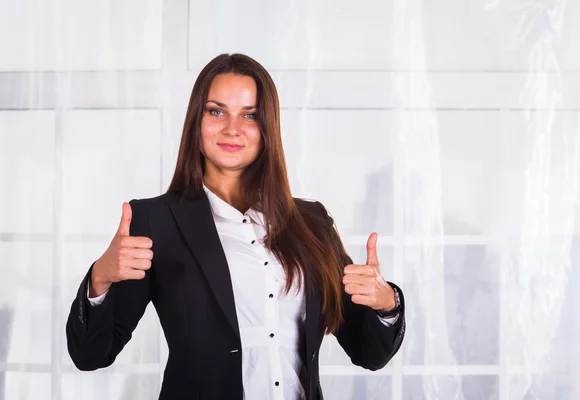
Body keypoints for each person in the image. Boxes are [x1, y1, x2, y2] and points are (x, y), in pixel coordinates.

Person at [66, 53, 405, 400]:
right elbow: (91, 354)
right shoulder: (155, 221)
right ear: (196, 121)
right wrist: (100, 277)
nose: (232, 128)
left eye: (250, 115)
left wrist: (386, 303)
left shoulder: (311, 223)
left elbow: (369, 354)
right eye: (216, 111)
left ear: (267, 127)